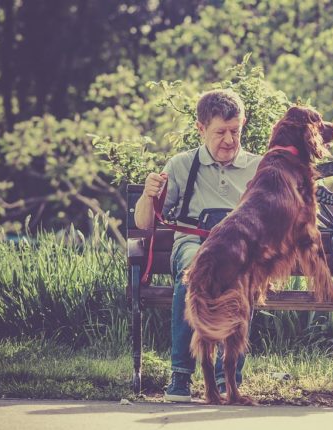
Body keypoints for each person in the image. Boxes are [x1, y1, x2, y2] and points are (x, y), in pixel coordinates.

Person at [134, 89, 262, 402]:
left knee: (240, 278)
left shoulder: (257, 166)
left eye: (236, 131)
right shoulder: (181, 165)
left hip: (237, 250)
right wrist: (149, 194)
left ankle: (226, 378)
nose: (230, 141)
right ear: (201, 129)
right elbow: (143, 223)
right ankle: (181, 376)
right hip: (194, 242)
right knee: (193, 272)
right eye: (220, 132)